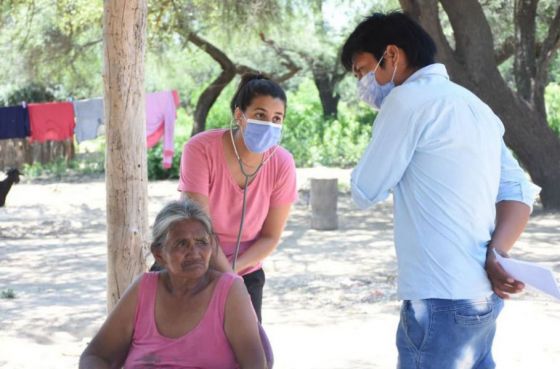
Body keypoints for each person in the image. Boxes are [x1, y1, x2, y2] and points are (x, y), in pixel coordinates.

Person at [340, 11, 541, 369]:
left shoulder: (405, 102)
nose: (363, 85)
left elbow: (364, 191)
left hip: (437, 300)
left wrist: (384, 130)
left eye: (362, 71)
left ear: (392, 55)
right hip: (479, 298)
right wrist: (498, 252)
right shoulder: (474, 105)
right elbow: (517, 189)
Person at [79, 200, 267, 369]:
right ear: (159, 254)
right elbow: (95, 355)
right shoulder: (144, 289)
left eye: (202, 242)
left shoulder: (229, 292)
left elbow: (256, 364)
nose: (194, 252)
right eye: (181, 244)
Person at [176, 73, 297, 322]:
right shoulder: (200, 149)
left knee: (248, 356)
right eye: (260, 115)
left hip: (244, 270)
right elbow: (199, 230)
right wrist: (220, 273)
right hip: (193, 263)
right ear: (239, 115)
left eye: (277, 119)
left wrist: (231, 273)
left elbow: (270, 237)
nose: (269, 125)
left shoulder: (283, 163)